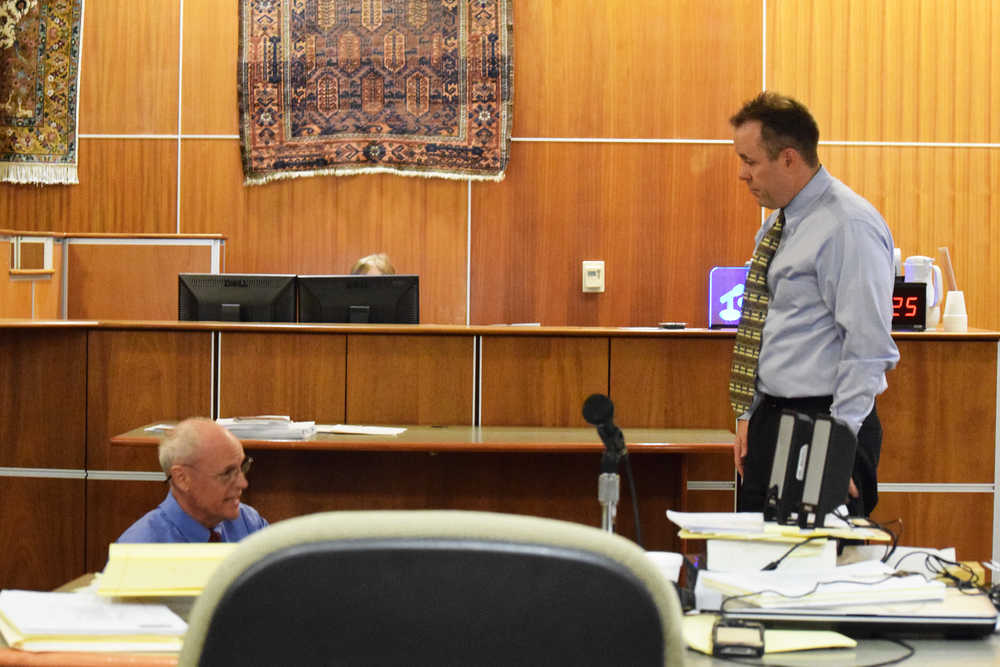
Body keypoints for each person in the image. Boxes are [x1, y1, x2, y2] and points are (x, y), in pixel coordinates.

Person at [728, 91, 899, 517]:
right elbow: (768, 328)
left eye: (750, 161)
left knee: (817, 571)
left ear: (788, 158)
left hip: (824, 424)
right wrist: (748, 415)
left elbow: (868, 349)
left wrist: (836, 451)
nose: (742, 174)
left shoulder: (847, 225)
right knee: (755, 560)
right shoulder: (778, 223)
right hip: (772, 419)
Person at [117, 418, 268, 543]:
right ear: (182, 479)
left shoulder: (248, 522)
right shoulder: (139, 549)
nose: (243, 483)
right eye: (227, 473)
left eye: (243, 467)